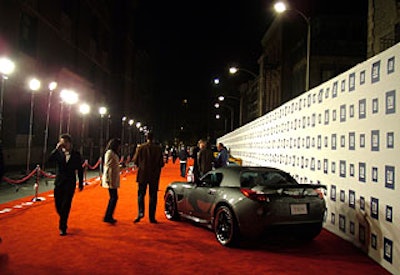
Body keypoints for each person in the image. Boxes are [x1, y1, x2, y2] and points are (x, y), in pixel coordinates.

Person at [48, 133, 83, 236]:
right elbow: (49, 160)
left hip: (70, 183)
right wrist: (56, 149)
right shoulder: (58, 153)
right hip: (59, 182)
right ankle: (63, 216)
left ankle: (63, 226)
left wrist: (80, 183)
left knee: (66, 205)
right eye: (62, 143)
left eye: (65, 143)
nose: (64, 145)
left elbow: (80, 169)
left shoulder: (76, 154)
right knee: (58, 204)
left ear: (70, 143)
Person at [133, 132, 164, 223]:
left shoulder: (141, 147)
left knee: (141, 194)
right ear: (153, 138)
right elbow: (161, 163)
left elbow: (135, 161)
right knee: (153, 196)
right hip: (154, 176)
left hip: (142, 174)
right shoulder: (158, 149)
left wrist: (142, 165)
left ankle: (141, 212)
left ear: (146, 138)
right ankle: (152, 217)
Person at [101, 138, 121, 224]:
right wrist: (108, 179)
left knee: (113, 197)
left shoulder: (112, 153)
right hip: (111, 178)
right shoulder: (109, 153)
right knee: (114, 197)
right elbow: (108, 167)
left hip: (113, 177)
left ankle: (108, 215)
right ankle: (108, 216)